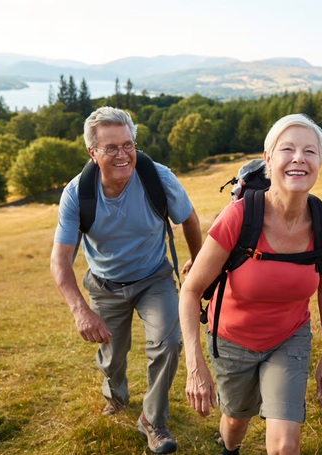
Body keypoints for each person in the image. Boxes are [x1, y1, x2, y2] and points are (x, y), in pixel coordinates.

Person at [179, 113, 322, 455]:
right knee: (235, 424)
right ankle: (230, 448)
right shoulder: (240, 217)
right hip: (231, 339)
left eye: (310, 151)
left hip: (289, 338)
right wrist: (194, 365)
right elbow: (190, 290)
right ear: (269, 160)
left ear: (320, 162)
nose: (299, 158)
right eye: (287, 149)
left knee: (286, 444)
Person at [51, 106, 202, 454]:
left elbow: (189, 219)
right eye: (111, 148)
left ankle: (153, 420)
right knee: (112, 356)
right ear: (93, 152)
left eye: (128, 144)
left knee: (169, 344)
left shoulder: (158, 177)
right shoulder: (77, 194)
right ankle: (116, 394)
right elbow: (60, 262)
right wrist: (80, 310)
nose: (123, 155)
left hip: (155, 278)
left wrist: (197, 261)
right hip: (105, 285)